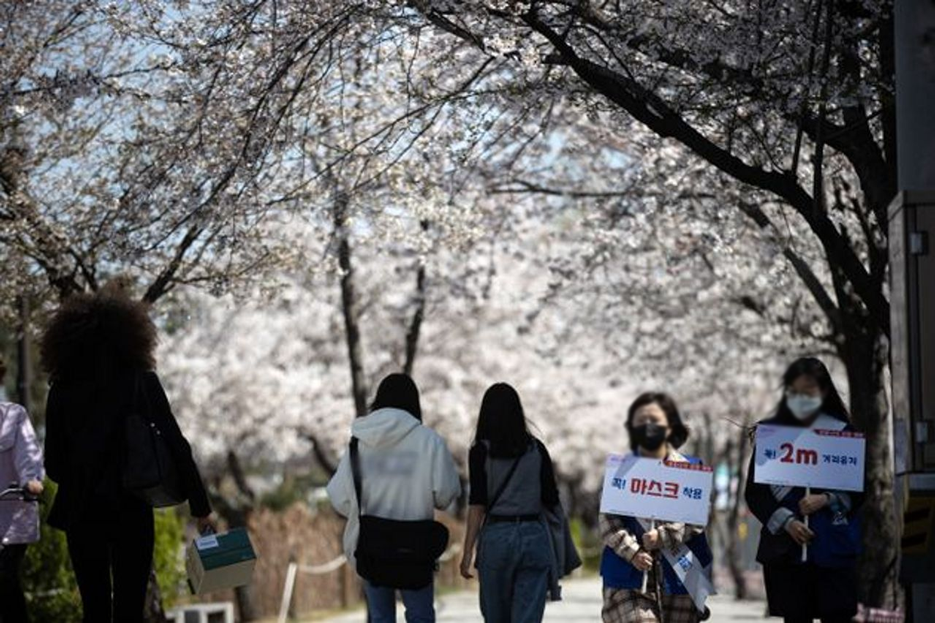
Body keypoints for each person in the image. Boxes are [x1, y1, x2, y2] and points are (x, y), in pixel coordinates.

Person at [41, 286, 215, 623]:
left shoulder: (61, 390)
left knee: (94, 608)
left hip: (81, 511)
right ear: (131, 337)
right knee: (130, 608)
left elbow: (54, 465)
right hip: (131, 507)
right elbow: (177, 444)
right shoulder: (142, 382)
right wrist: (201, 507)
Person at [327, 373, 461, 623]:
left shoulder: (359, 442)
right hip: (416, 546)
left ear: (379, 401)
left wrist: (363, 506)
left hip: (372, 544)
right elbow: (445, 495)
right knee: (420, 616)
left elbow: (338, 496)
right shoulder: (430, 441)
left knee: (380, 617)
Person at [745, 357, 863, 623]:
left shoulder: (844, 434)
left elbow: (859, 491)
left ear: (824, 391)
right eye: (795, 392)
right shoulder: (773, 435)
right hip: (786, 553)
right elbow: (756, 494)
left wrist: (827, 499)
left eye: (808, 391)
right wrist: (787, 522)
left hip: (834, 549)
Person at [599, 392, 713, 623]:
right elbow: (608, 521)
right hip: (628, 574)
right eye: (641, 421)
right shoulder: (621, 469)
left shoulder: (691, 469)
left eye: (655, 420)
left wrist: (664, 535)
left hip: (681, 574)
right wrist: (633, 552)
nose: (648, 426)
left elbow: (697, 517)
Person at [459, 383, 561, 623]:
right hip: (534, 536)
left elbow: (477, 505)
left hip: (497, 536)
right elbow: (551, 499)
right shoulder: (537, 449)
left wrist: (467, 551)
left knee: (495, 615)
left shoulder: (480, 451)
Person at [0, 354, 44, 623]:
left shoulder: (13, 416)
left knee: (4, 577)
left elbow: (27, 455)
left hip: (11, 517)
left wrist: (31, 481)